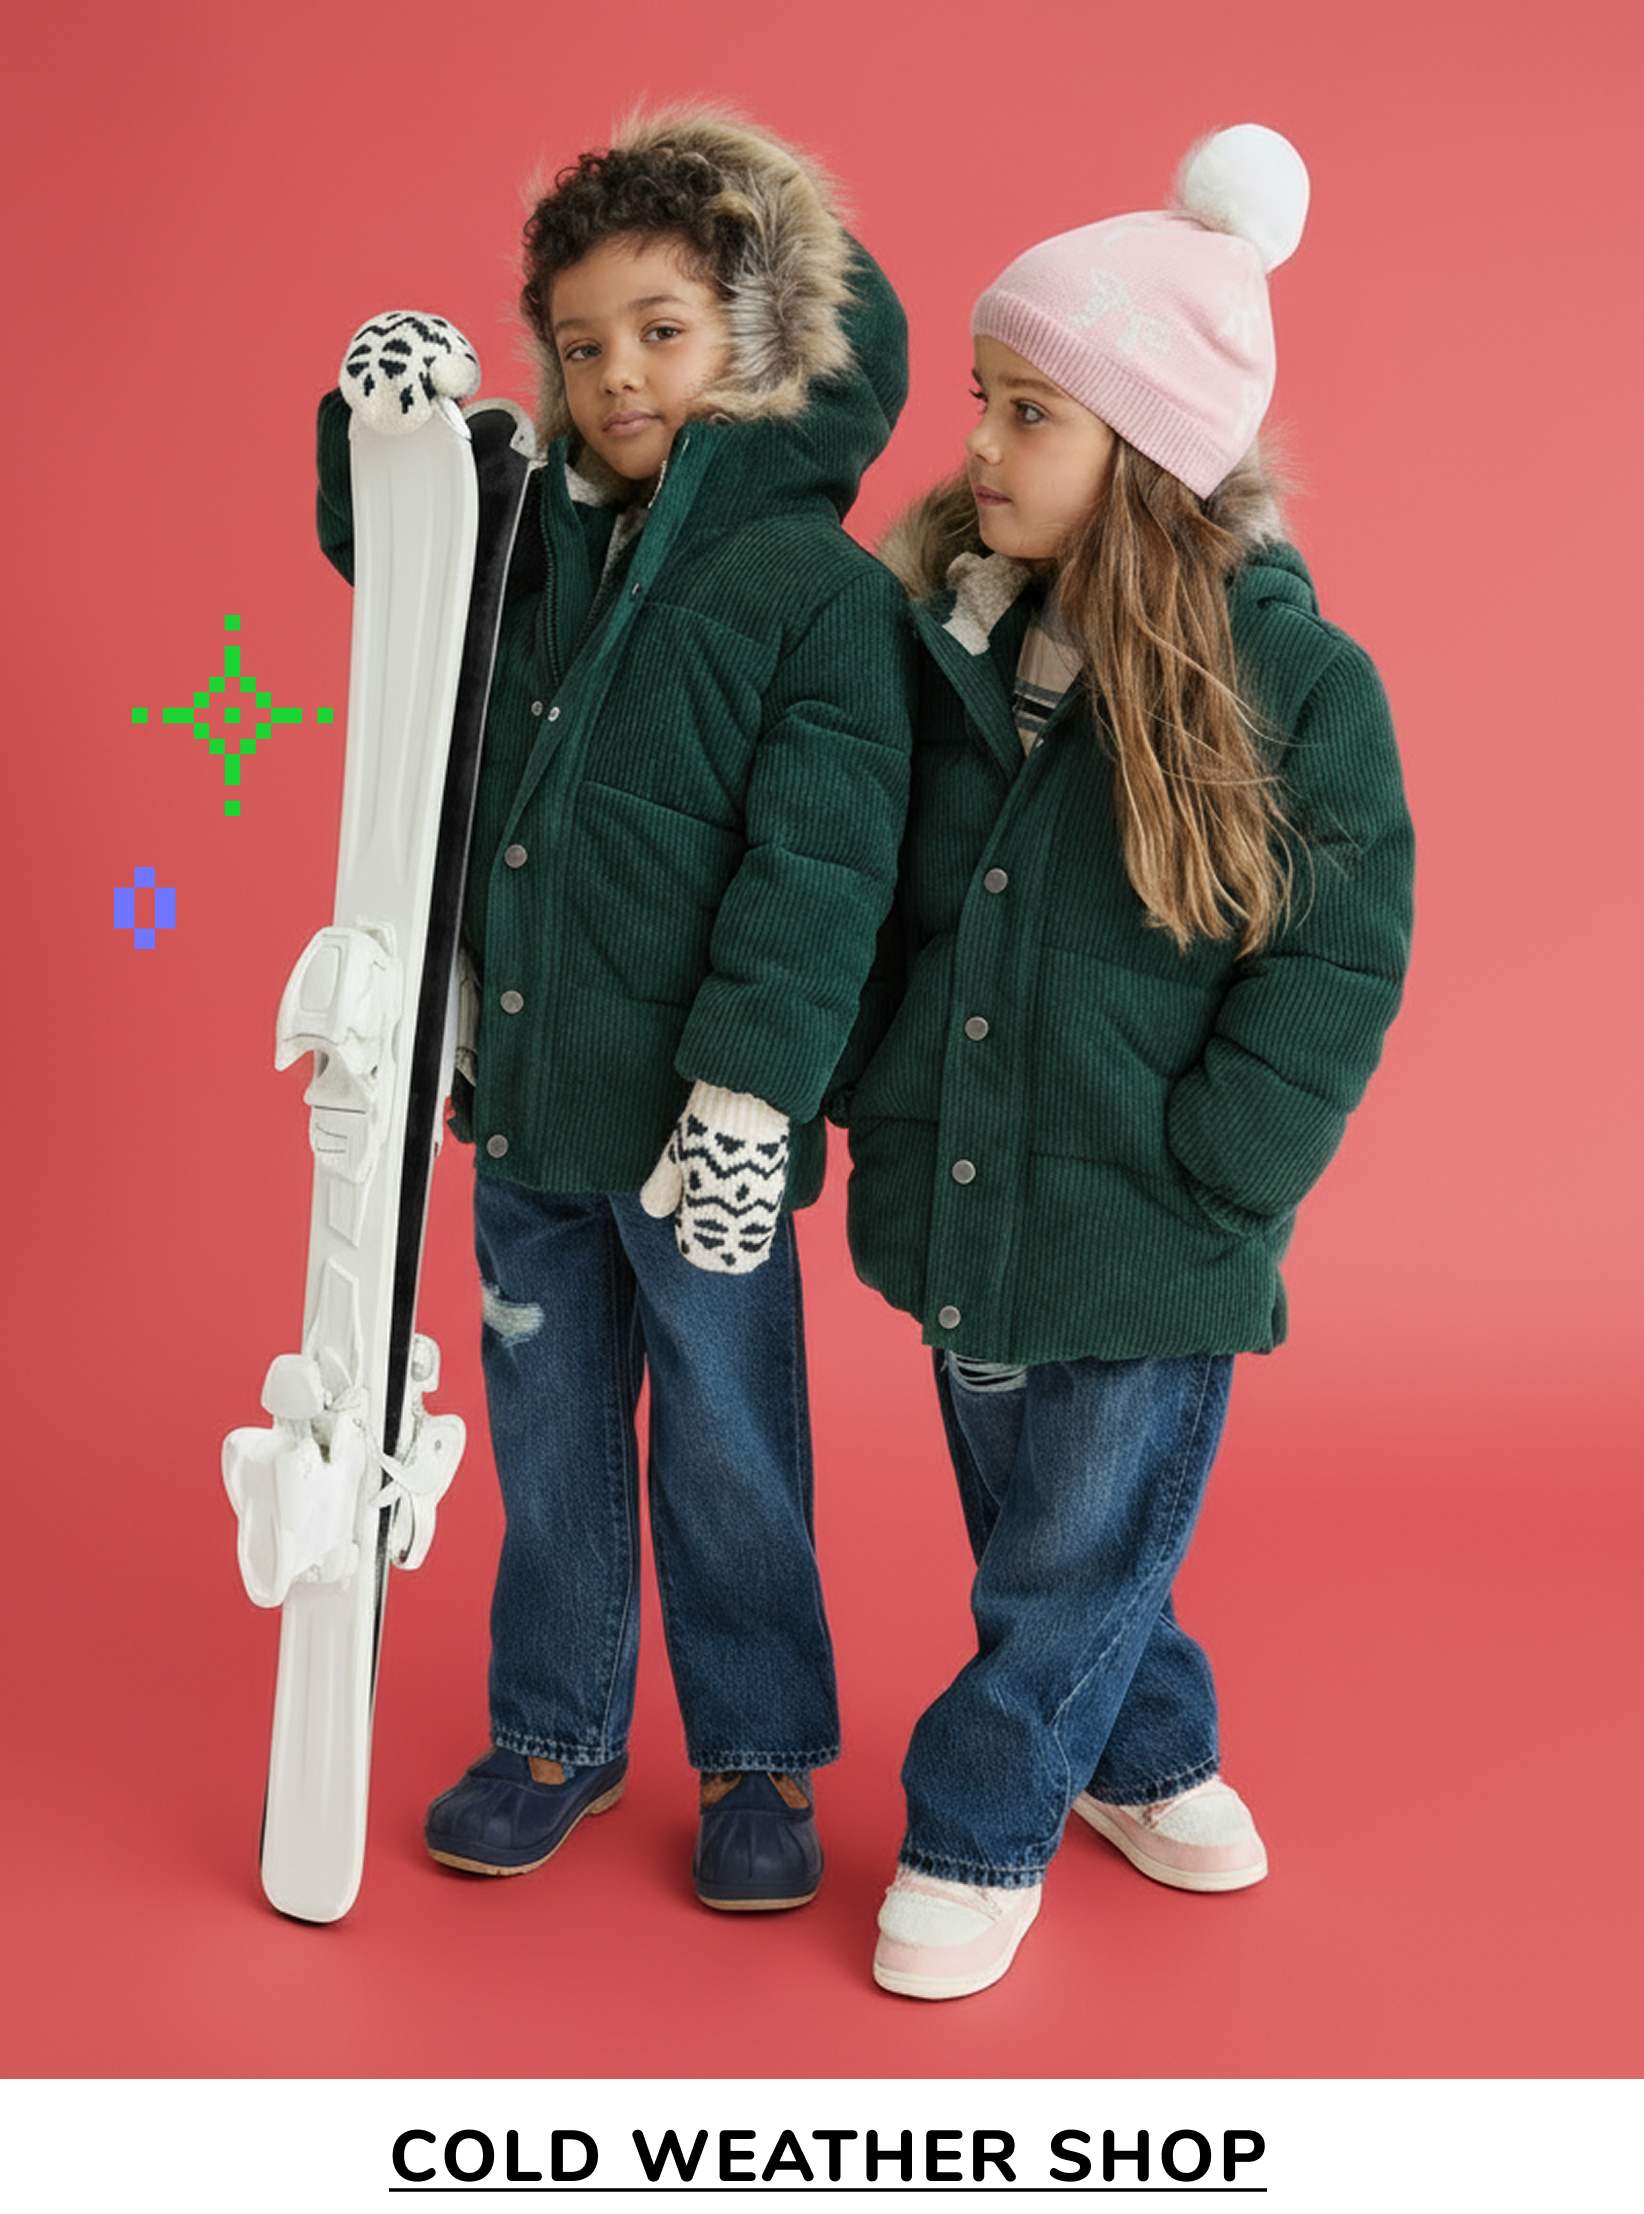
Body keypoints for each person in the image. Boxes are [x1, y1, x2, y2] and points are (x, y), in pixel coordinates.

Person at [827, 125, 1416, 1996]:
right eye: (984, 403)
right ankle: (1143, 1749)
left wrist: (1223, 1165)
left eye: (1032, 414)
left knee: (1068, 1550)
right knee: (1042, 1527)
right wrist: (863, 1087)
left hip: (1151, 1215)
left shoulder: (1293, 688)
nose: (982, 448)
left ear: (1150, 446)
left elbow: (1338, 946)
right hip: (966, 1185)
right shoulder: (952, 642)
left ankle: (981, 1823)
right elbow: (881, 895)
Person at [315, 100, 913, 1911]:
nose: (618, 375)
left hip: (699, 1135)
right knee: (550, 1438)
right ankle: (555, 1728)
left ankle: (757, 1750)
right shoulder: (528, 539)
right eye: (581, 345)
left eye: (662, 329)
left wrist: (752, 1097)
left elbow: (822, 869)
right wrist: (378, 427)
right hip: (529, 1104)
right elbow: (390, 561)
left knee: (730, 1442)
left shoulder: (813, 590)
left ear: (761, 333)